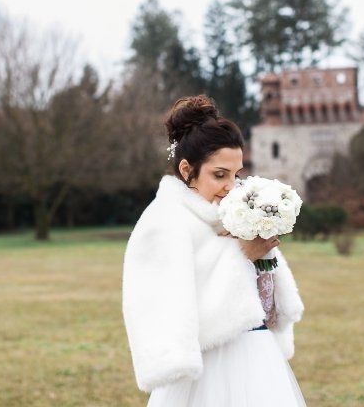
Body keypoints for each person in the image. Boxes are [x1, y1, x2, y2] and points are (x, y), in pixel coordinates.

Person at [122, 95, 307, 406]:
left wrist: (264, 258)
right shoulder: (165, 221)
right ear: (186, 170)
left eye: (236, 174)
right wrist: (241, 255)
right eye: (220, 175)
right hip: (206, 374)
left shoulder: (236, 216)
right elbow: (169, 314)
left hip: (258, 361)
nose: (230, 186)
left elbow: (268, 312)